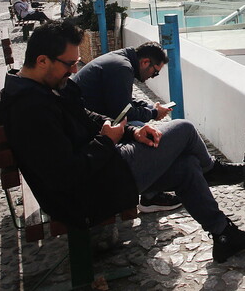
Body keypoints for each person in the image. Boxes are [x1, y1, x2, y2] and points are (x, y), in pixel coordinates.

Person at [0, 21, 245, 263]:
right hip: (85, 195)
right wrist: (107, 141)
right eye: (69, 64)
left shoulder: (46, 89)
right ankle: (212, 169)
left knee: (188, 166)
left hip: (102, 174)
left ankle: (224, 235)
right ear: (42, 60)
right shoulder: (31, 109)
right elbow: (65, 174)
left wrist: (131, 133)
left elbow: (85, 115)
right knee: (185, 130)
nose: (73, 70)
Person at [72, 42, 183, 213]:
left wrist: (151, 107)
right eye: (155, 72)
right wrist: (153, 114)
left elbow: (124, 101)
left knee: (141, 128)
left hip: (86, 121)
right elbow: (124, 112)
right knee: (148, 135)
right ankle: (151, 196)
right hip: (86, 128)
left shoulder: (120, 60)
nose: (153, 76)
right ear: (145, 62)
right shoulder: (122, 68)